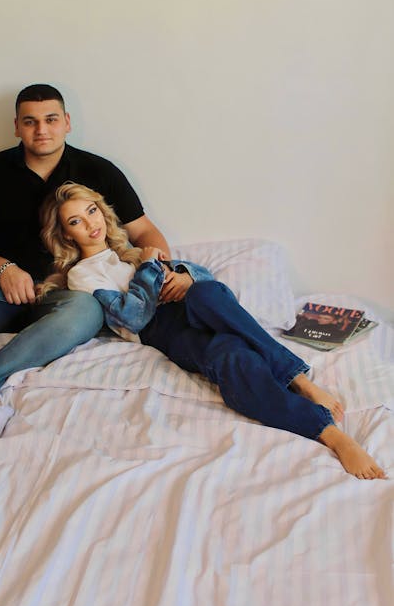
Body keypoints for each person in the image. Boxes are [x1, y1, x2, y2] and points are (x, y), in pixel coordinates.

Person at [37, 182, 387, 480]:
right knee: (232, 356)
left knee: (206, 291)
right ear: (66, 233)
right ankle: (329, 434)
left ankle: (302, 382)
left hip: (194, 305)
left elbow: (210, 282)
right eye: (76, 221)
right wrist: (147, 268)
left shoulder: (128, 252)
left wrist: (185, 277)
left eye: (92, 211)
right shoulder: (83, 275)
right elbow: (133, 319)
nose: (90, 224)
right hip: (164, 329)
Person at [0, 84, 169, 440]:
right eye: (30, 122)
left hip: (64, 298)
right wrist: (5, 269)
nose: (41, 130)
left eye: (50, 120)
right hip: (3, 296)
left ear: (66, 122)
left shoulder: (99, 171)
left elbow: (145, 233)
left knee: (89, 308)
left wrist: (160, 264)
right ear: (16, 126)